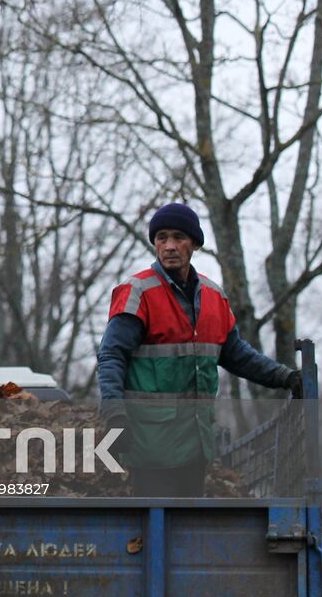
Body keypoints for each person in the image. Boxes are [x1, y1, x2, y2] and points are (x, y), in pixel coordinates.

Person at [98, 202, 303, 497]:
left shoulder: (213, 297)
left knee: (185, 530)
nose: (169, 246)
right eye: (162, 238)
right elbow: (111, 356)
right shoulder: (138, 292)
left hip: (195, 443)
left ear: (194, 243)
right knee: (156, 529)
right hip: (149, 444)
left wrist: (285, 377)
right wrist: (114, 414)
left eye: (179, 238)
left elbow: (239, 355)